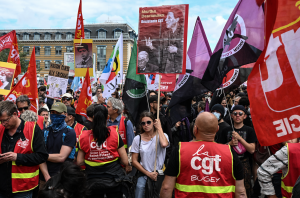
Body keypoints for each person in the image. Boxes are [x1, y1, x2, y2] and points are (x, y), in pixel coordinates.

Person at [160, 112, 246, 198]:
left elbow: (166, 188)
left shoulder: (180, 150)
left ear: (195, 129)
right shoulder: (229, 152)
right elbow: (241, 192)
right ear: (217, 129)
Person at [77, 105, 130, 198]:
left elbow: (79, 161)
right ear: (107, 117)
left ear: (93, 117)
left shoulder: (83, 136)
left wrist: (94, 158)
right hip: (114, 181)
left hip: (92, 182)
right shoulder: (115, 134)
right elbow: (125, 161)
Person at [0, 101, 48, 198]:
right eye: (1, 121)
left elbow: (42, 156)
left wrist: (17, 157)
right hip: (2, 186)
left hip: (23, 188)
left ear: (15, 114)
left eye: (6, 120)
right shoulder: (0, 129)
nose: (3, 123)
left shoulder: (33, 129)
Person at [219, 105, 257, 197]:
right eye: (235, 113)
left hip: (244, 164)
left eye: (240, 114)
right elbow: (219, 149)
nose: (237, 116)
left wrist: (240, 139)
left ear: (245, 116)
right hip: (228, 164)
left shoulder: (250, 130)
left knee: (245, 190)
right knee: (229, 188)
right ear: (231, 115)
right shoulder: (225, 130)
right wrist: (229, 144)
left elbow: (252, 150)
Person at [131, 112, 169, 198]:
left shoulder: (163, 136)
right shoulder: (138, 139)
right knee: (139, 189)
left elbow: (164, 144)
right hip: (144, 174)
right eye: (143, 123)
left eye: (148, 122)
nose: (146, 125)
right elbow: (134, 161)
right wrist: (148, 174)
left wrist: (159, 128)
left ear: (154, 122)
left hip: (159, 175)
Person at [39, 102, 76, 185]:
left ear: (65, 114)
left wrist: (41, 155)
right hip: (45, 177)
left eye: (58, 113)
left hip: (63, 177)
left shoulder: (69, 132)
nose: (55, 115)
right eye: (53, 113)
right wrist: (46, 176)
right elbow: (40, 158)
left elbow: (61, 157)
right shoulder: (45, 132)